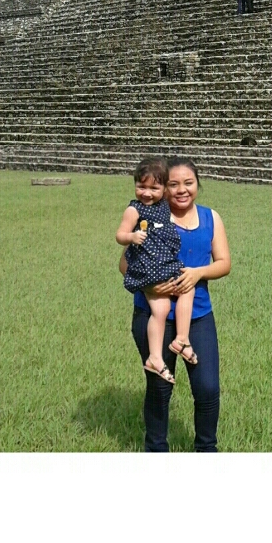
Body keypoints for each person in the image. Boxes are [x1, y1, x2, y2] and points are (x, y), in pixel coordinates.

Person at [129, 159, 230, 452]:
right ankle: (156, 450)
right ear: (163, 187)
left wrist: (198, 273)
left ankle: (206, 450)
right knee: (160, 388)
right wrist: (149, 285)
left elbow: (224, 263)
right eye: (173, 184)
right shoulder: (149, 217)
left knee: (207, 388)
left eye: (188, 183)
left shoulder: (211, 218)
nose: (181, 190)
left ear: (198, 184)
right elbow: (124, 265)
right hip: (154, 315)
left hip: (198, 315)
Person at [116, 158, 196, 383]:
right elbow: (119, 235)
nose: (147, 193)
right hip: (148, 268)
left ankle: (157, 356)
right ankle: (181, 340)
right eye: (141, 186)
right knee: (186, 289)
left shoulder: (163, 207)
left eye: (154, 188)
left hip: (162, 264)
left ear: (163, 189)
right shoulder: (134, 209)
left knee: (161, 310)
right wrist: (131, 237)